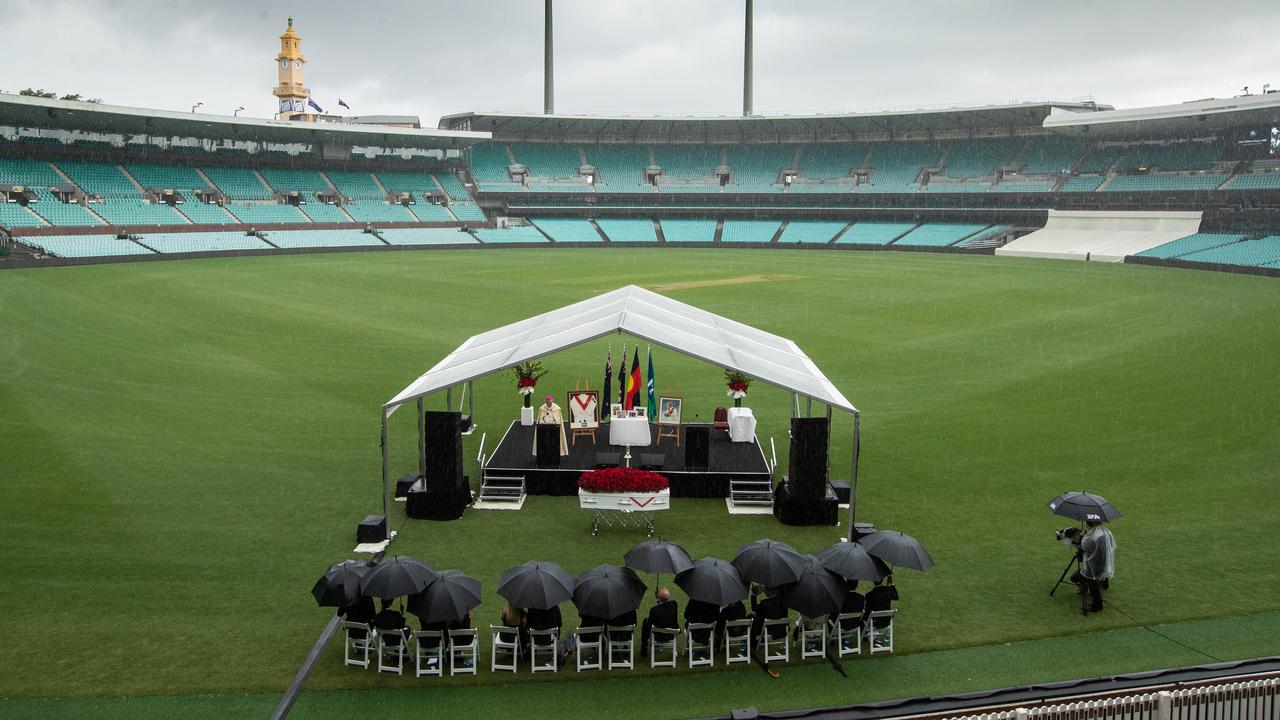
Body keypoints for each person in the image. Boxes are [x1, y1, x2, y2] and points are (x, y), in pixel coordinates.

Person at [1074, 518, 1117, 613]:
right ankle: (1102, 584)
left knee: (1091, 584)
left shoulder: (1092, 536)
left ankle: (1097, 606)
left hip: (1093, 565)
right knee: (1093, 582)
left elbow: (1084, 547)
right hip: (1103, 562)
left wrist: (1082, 536)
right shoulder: (1106, 532)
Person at [640, 587, 679, 652]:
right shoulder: (674, 604)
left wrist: (659, 600)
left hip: (658, 636)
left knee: (646, 621)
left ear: (659, 598)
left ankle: (644, 647)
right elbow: (666, 605)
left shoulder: (654, 610)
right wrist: (659, 599)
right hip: (671, 635)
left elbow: (650, 623)